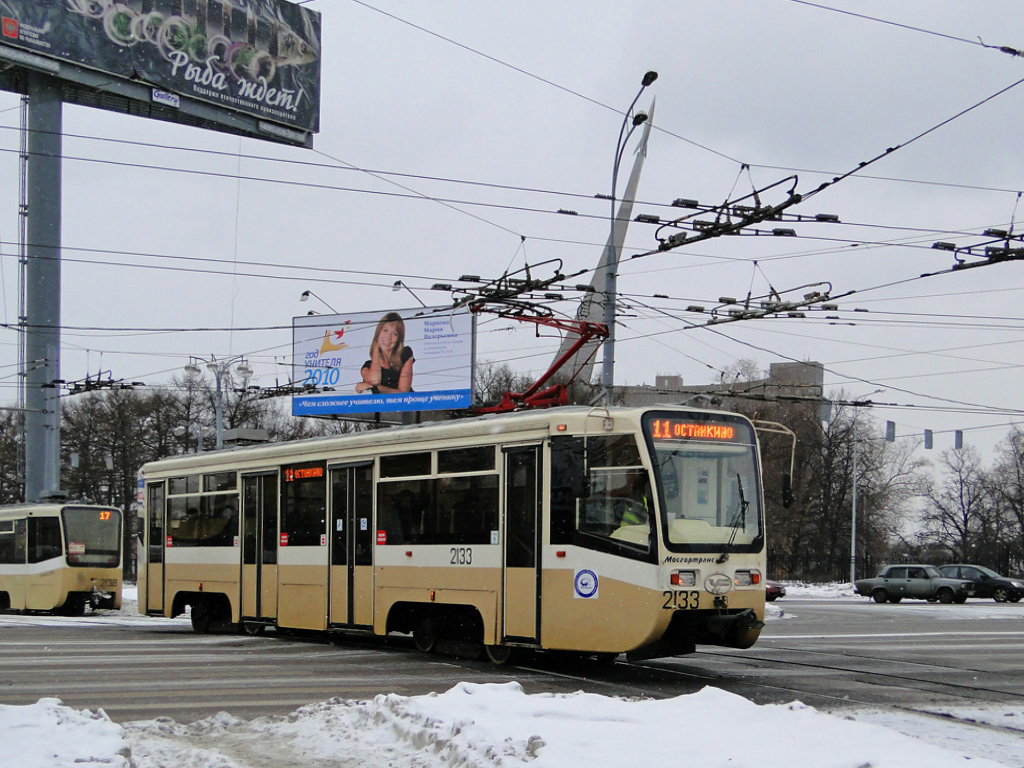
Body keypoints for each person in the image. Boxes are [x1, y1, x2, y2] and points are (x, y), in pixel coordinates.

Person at [355, 312, 415, 394]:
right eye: (385, 330)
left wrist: (375, 388)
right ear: (378, 332)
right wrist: (376, 348)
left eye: (395, 334)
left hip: (407, 405)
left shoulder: (405, 354)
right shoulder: (367, 367)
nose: (388, 337)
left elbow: (403, 393)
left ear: (398, 339)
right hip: (382, 406)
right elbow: (374, 380)